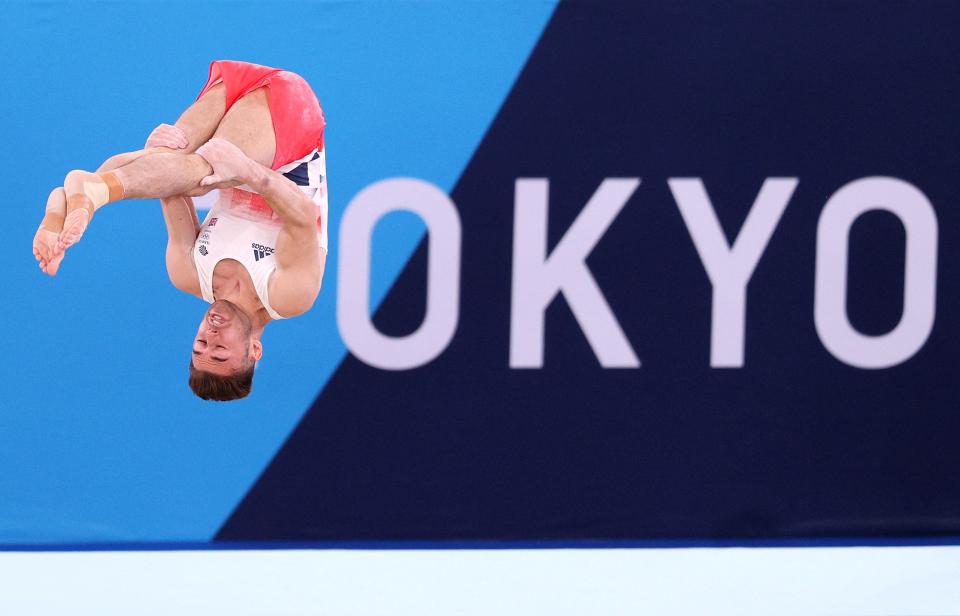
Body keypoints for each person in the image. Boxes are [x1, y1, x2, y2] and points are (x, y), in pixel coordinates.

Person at [32, 60, 329, 401]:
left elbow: (170, 187)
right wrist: (248, 171)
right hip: (290, 114)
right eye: (220, 351)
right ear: (255, 350)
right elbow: (304, 216)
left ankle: (67, 205)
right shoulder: (288, 296)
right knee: (205, 174)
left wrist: (154, 154)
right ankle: (89, 191)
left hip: (229, 93)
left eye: (200, 344)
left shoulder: (188, 274)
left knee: (177, 160)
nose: (211, 336)